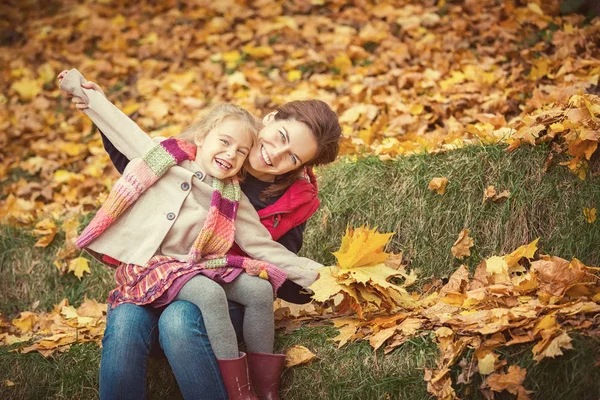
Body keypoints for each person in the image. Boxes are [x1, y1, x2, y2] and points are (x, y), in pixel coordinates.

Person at [60, 70, 342, 400]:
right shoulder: (196, 150)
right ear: (270, 118)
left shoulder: (268, 198)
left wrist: (329, 280)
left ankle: (248, 391)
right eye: (279, 136)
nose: (275, 154)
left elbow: (270, 253)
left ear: (299, 166)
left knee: (180, 319)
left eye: (292, 157)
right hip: (159, 275)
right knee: (124, 321)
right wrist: (94, 102)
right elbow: (136, 151)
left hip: (221, 293)